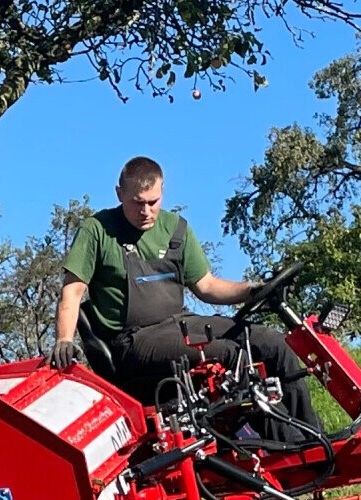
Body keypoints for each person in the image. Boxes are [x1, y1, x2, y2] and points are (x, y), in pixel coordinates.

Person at [48, 156, 321, 442]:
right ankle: (283, 443)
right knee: (228, 354)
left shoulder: (175, 228)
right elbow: (72, 291)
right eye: (137, 202)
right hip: (135, 341)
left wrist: (253, 289)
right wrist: (64, 340)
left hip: (179, 324)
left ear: (162, 192)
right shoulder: (97, 230)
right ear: (120, 194)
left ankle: (313, 437)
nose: (146, 211)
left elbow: (207, 286)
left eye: (153, 202)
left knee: (273, 343)